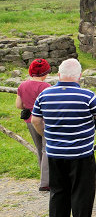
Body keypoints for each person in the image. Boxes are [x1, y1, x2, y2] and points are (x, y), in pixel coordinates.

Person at [30, 58, 96, 217]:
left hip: (55, 152)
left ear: (59, 74)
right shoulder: (87, 96)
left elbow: (35, 120)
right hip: (81, 153)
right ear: (79, 76)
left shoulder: (45, 95)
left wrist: (46, 136)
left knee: (58, 191)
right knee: (83, 191)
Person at [16, 58, 51, 191]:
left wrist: (29, 105)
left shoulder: (22, 86)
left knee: (39, 149)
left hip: (30, 120)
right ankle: (46, 182)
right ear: (45, 72)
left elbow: (19, 105)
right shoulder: (46, 87)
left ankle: (43, 177)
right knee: (46, 148)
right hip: (44, 120)